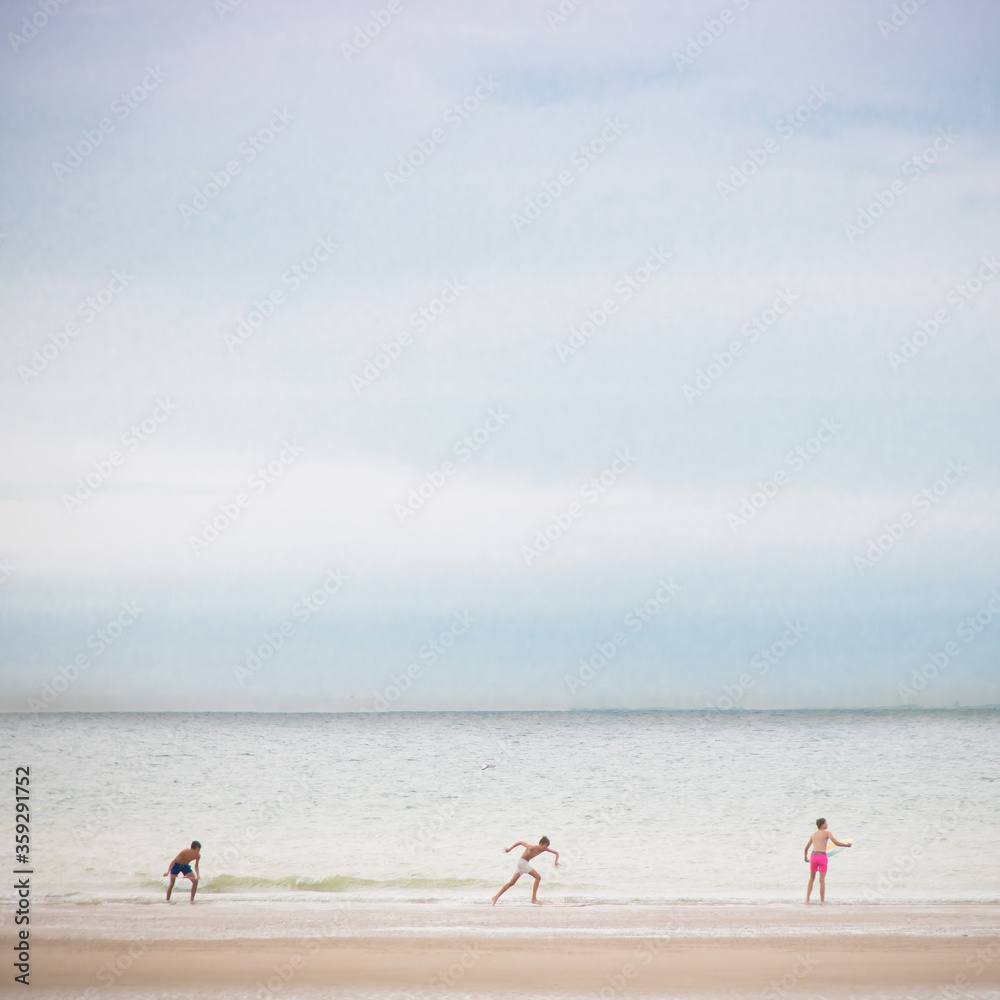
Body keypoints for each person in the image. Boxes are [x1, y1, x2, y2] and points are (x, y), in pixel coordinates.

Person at [492, 836, 559, 906]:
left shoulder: (543, 849)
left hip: (523, 864)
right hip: (522, 863)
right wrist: (509, 849)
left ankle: (495, 897)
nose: (545, 849)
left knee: (511, 883)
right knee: (538, 877)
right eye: (545, 846)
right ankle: (533, 899)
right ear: (541, 844)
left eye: (546, 847)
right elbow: (520, 842)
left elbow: (556, 853)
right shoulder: (531, 847)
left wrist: (556, 862)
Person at [804, 819, 849, 903]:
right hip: (822, 857)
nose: (827, 824)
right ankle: (822, 900)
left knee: (811, 878)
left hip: (813, 857)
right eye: (826, 823)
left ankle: (807, 898)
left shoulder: (813, 834)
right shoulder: (827, 833)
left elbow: (806, 848)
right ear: (822, 825)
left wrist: (805, 857)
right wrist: (847, 845)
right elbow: (836, 843)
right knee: (821, 880)